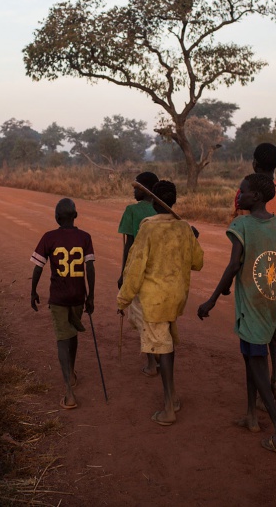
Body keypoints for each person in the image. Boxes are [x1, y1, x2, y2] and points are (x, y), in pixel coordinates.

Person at [198, 173, 276, 453]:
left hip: (252, 307)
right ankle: (252, 416)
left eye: (242, 191)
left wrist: (212, 300)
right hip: (269, 304)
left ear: (257, 196)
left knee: (257, 365)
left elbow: (233, 266)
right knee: (250, 360)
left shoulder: (241, 224)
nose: (238, 194)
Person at [117, 181, 204, 427]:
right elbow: (198, 263)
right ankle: (173, 397)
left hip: (154, 300)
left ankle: (168, 407)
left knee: (163, 348)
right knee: (167, 342)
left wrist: (122, 299)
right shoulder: (184, 228)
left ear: (154, 202)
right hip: (175, 298)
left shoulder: (147, 229)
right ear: (172, 202)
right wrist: (191, 238)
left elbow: (134, 269)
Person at [232, 143, 276, 400]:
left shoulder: (246, 191)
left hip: (252, 270)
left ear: (254, 164)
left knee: (255, 325)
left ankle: (261, 390)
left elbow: (240, 231)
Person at [30, 198, 96, 410]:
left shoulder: (49, 237)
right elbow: (91, 269)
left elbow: (38, 267)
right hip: (78, 296)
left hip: (58, 298)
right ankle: (72, 372)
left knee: (62, 339)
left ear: (56, 218)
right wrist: (91, 296)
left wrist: (33, 291)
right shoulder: (85, 237)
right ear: (75, 216)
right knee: (73, 333)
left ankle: (69, 392)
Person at [117, 171, 160, 377]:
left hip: (138, 270)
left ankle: (152, 362)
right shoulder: (162, 210)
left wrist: (123, 274)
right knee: (158, 313)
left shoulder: (132, 211)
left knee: (142, 316)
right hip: (160, 270)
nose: (133, 191)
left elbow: (129, 245)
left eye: (136, 187)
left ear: (143, 190)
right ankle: (161, 354)